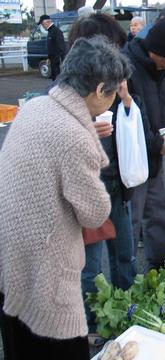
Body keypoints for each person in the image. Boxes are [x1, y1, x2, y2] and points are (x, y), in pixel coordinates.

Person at [0, 36, 128, 359]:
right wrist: (86, 141)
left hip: (13, 257)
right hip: (48, 270)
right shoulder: (73, 137)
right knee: (57, 345)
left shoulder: (34, 108)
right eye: (113, 92)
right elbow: (95, 213)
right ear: (100, 90)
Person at [68, 14, 139, 340]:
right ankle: (94, 325)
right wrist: (84, 130)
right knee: (90, 267)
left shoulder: (114, 87)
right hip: (88, 190)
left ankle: (129, 309)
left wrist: (125, 101)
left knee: (125, 252)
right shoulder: (67, 94)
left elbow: (139, 128)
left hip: (117, 185)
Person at [123, 18, 165, 271]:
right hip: (131, 159)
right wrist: (157, 143)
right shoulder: (127, 69)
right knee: (132, 220)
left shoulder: (164, 69)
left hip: (154, 155)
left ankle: (161, 267)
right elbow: (132, 120)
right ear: (155, 52)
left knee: (159, 211)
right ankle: (125, 280)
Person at [38, 14, 66, 81]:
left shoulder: (56, 31)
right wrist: (49, 58)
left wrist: (60, 60)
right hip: (52, 60)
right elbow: (51, 47)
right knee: (54, 79)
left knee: (57, 79)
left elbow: (61, 47)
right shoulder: (50, 32)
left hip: (57, 61)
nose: (42, 26)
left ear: (47, 22)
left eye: (42, 24)